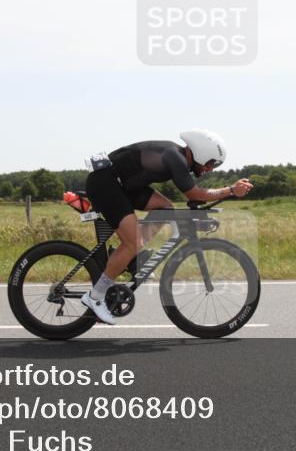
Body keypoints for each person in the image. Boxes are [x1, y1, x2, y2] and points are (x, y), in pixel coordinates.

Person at [80, 129, 253, 325]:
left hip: (123, 185)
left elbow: (193, 197)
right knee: (132, 242)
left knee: (164, 208)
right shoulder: (175, 157)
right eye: (211, 163)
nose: (210, 169)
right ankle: (95, 296)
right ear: (201, 152)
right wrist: (231, 190)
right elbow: (194, 194)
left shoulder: (177, 156)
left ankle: (131, 258)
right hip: (105, 183)